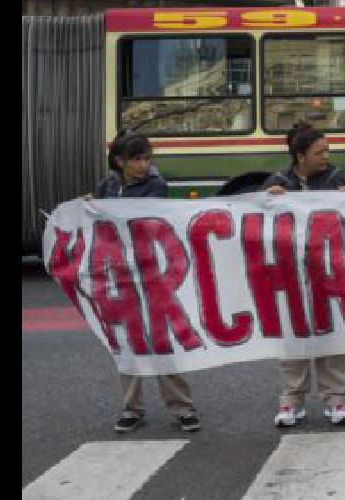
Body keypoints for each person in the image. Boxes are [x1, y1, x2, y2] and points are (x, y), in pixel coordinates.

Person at [88, 132, 202, 434]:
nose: (144, 164)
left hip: (152, 271)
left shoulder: (156, 186)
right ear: (119, 161)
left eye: (147, 158)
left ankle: (182, 407)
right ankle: (131, 408)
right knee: (126, 341)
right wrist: (88, 205)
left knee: (162, 339)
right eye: (137, 159)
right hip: (119, 273)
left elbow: (146, 219)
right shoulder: (107, 186)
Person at [264, 121, 345, 427]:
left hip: (331, 270)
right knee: (294, 335)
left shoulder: (338, 178)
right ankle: (291, 400)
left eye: (328, 151)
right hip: (293, 272)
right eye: (319, 152)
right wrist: (268, 200)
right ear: (300, 156)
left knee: (333, 333)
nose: (326, 157)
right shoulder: (278, 182)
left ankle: (336, 399)